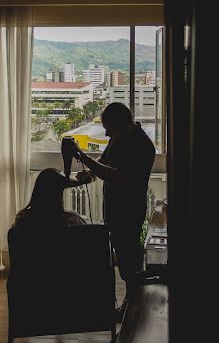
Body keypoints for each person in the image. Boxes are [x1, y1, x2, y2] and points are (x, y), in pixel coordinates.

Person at [67, 102, 156, 312]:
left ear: (121, 123)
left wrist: (85, 158)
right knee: (125, 259)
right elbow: (105, 161)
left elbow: (117, 175)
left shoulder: (140, 145)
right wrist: (90, 171)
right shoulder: (120, 137)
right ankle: (130, 306)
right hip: (116, 209)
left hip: (129, 211)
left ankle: (133, 309)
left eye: (109, 128)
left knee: (129, 262)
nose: (106, 133)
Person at [9, 168, 92, 271]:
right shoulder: (71, 220)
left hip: (29, 280)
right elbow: (86, 251)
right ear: (59, 193)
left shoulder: (22, 219)